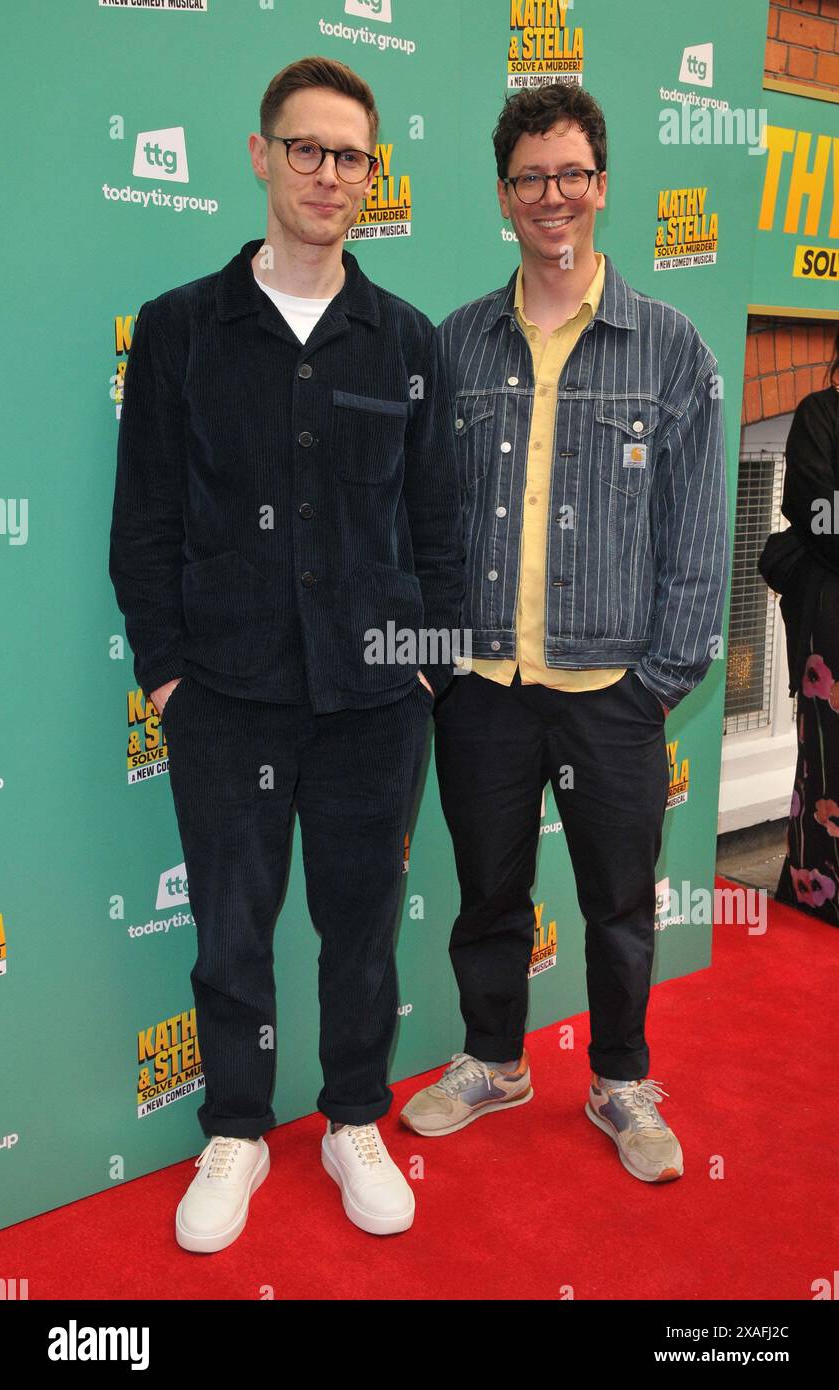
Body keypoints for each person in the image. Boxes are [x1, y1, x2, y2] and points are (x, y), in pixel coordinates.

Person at [109, 56, 464, 1248]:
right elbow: (144, 522)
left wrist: (424, 667)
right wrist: (167, 673)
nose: (327, 173)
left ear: (374, 175)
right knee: (231, 927)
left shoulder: (405, 339)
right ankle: (238, 1131)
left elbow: (439, 529)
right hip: (225, 697)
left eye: (350, 156)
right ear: (262, 157)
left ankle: (355, 1115)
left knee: (362, 925)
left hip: (375, 702)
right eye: (305, 149)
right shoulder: (176, 333)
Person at [401, 83, 730, 1184]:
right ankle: (492, 1059)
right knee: (487, 890)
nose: (554, 195)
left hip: (614, 695)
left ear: (602, 186)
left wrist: (656, 683)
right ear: (504, 195)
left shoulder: (671, 348)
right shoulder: (454, 345)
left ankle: (621, 1080)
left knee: (619, 904)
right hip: (485, 683)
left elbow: (697, 539)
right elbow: (425, 522)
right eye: (531, 177)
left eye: (572, 174)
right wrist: (441, 663)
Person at [773, 330, 839, 926]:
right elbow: (817, 508)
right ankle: (820, 886)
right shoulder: (821, 414)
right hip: (833, 620)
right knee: (830, 759)